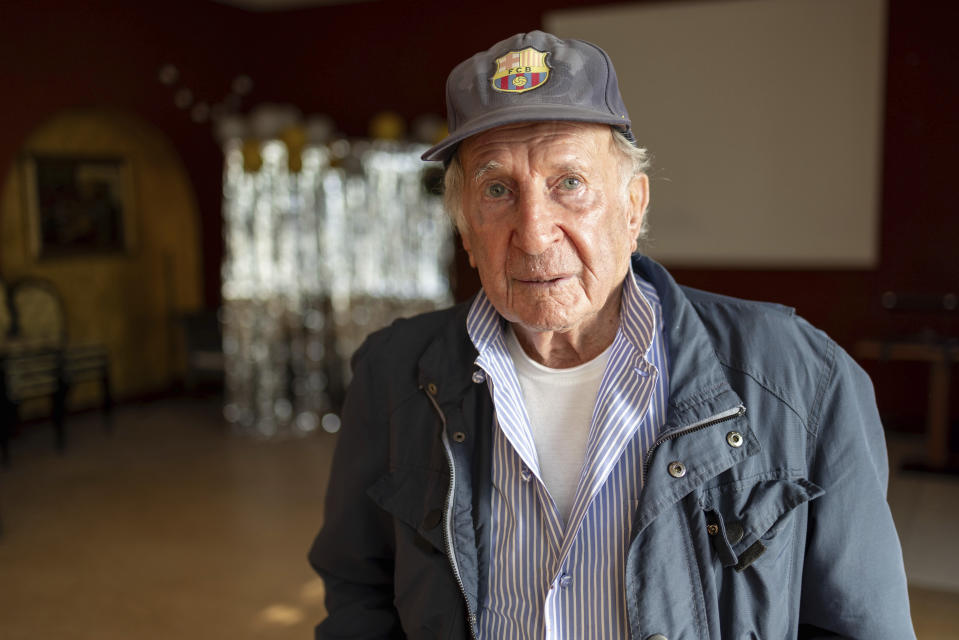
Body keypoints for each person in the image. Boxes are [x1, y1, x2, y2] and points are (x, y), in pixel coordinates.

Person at [309, 30, 915, 639]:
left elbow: (862, 625)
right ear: (465, 230)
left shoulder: (801, 375)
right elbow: (360, 588)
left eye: (568, 183)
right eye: (497, 190)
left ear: (634, 208)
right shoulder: (394, 371)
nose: (535, 232)